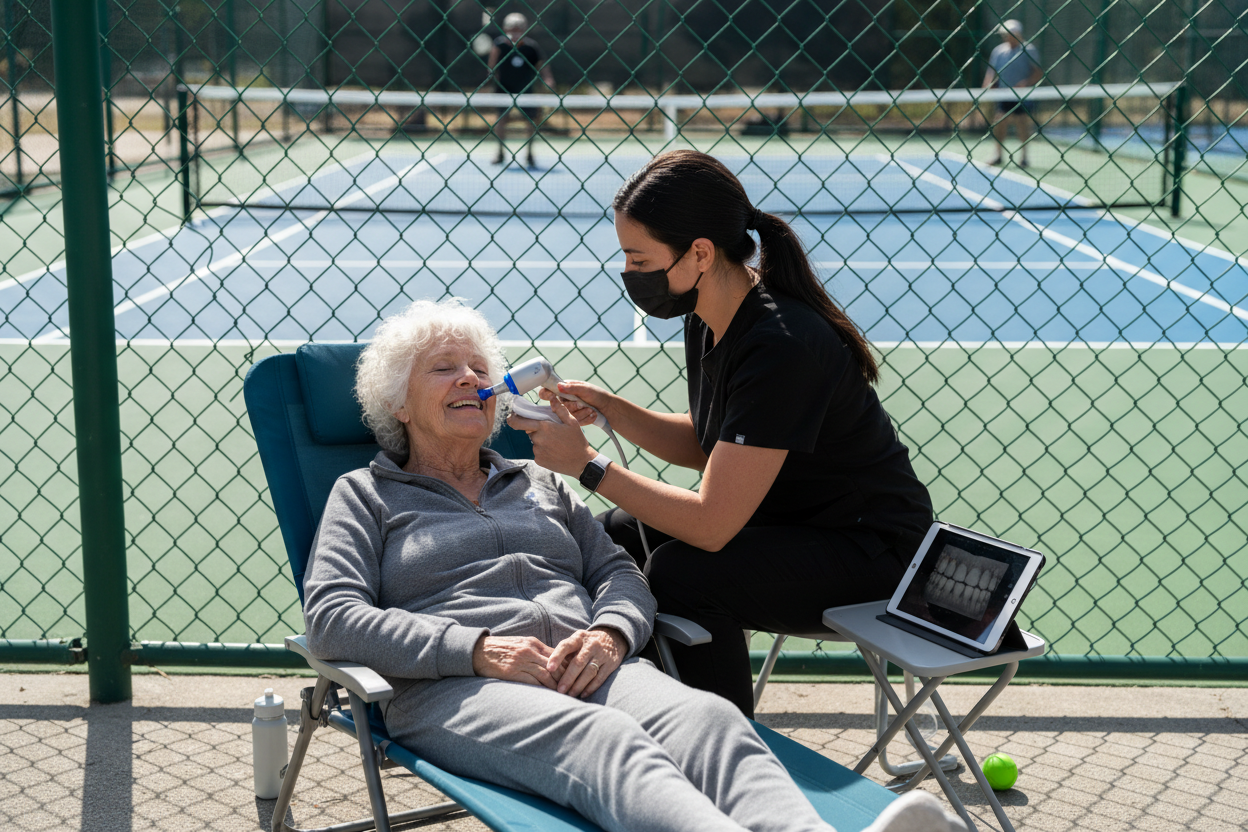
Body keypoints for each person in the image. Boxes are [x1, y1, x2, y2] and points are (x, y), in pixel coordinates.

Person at [302, 298, 964, 832]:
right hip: (456, 690)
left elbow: (617, 573)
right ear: (396, 401)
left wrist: (613, 633)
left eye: (479, 367)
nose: (471, 379)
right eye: (444, 368)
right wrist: (477, 650)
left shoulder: (539, 481)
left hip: (591, 664)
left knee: (712, 721)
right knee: (607, 743)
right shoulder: (364, 495)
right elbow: (332, 618)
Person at [510, 151, 935, 719]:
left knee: (685, 573)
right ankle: (590, 695)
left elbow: (712, 526)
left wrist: (588, 465)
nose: (630, 274)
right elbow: (712, 441)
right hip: (793, 526)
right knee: (616, 536)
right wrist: (610, 409)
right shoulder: (708, 313)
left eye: (639, 259)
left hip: (875, 552)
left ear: (700, 253)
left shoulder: (781, 343)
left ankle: (725, 756)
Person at [487, 12, 555, 168]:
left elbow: (542, 65)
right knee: (501, 120)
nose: (515, 32)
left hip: (525, 90)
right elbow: (491, 66)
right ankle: (500, 152)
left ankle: (530, 154)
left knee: (531, 121)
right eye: (512, 29)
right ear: (505, 28)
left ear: (525, 29)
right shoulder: (499, 45)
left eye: (519, 29)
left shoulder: (531, 47)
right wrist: (490, 78)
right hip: (503, 89)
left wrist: (548, 79)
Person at [981, 19, 1043, 167]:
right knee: (999, 122)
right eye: (1006, 34)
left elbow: (1038, 72)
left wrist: (1025, 84)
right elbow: (991, 73)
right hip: (1004, 94)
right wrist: (987, 86)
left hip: (1022, 95)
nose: (1008, 37)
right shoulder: (998, 51)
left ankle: (1024, 157)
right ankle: (998, 155)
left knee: (1022, 123)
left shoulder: (1029, 50)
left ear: (1018, 34)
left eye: (1011, 34)